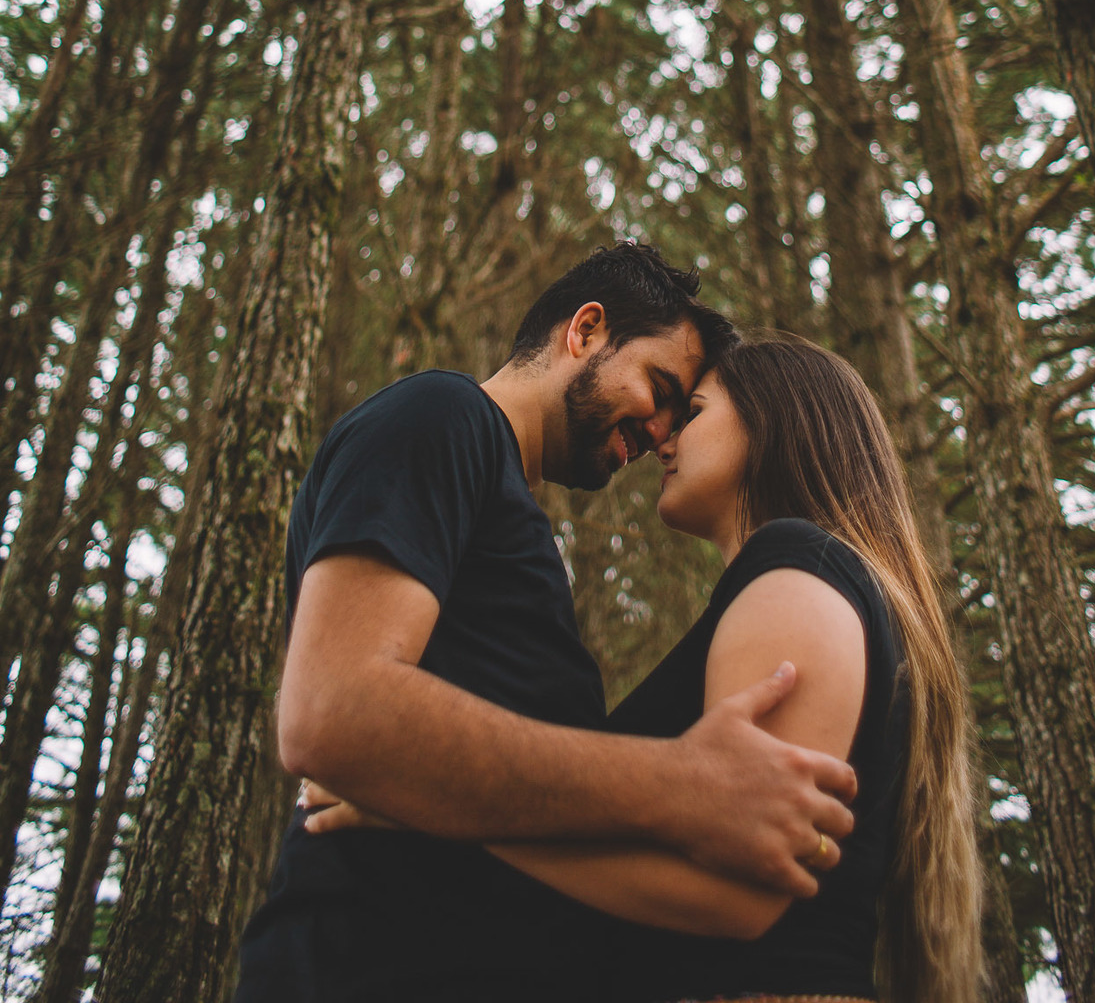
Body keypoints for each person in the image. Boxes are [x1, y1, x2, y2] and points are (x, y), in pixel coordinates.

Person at [235, 247, 858, 1003]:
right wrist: (679, 782)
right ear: (587, 330)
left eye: (683, 411)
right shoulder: (441, 415)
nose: (661, 432)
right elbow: (329, 712)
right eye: (662, 390)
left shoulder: (510, 521)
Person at [308, 335, 982, 1003]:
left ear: (774, 420)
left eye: (691, 411)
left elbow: (744, 892)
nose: (663, 437)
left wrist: (435, 804)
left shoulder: (798, 567)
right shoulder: (808, 581)